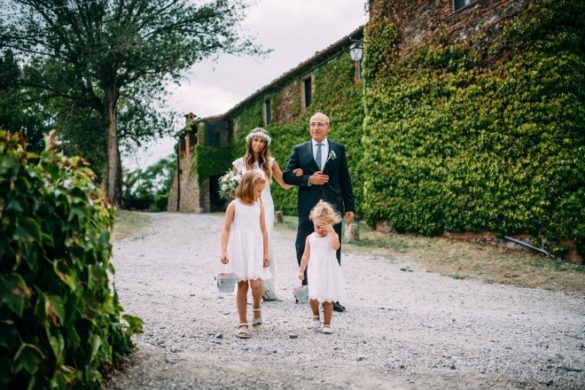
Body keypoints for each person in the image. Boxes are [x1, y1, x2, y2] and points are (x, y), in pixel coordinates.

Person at [283, 112, 355, 313]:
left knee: (333, 248)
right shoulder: (299, 150)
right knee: (302, 245)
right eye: (313, 124)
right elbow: (287, 176)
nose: (316, 127)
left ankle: (332, 297)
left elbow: (345, 179)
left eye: (320, 124)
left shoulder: (338, 149)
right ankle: (306, 289)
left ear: (328, 127)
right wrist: (307, 179)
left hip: (332, 208)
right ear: (309, 127)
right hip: (308, 207)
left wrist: (350, 207)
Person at [232, 128, 300, 301]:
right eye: (255, 140)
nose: (258, 144)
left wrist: (298, 177)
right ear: (250, 142)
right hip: (245, 207)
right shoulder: (238, 164)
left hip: (265, 206)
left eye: (262, 141)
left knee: (265, 243)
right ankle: (245, 290)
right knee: (245, 242)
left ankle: (267, 289)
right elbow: (232, 190)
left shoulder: (270, 162)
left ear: (265, 144)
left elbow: (284, 183)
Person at [219, 170, 271, 339]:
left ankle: (256, 306)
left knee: (256, 285)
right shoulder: (234, 206)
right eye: (258, 190)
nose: (260, 194)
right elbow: (226, 229)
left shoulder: (259, 206)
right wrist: (224, 250)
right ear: (248, 187)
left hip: (255, 248)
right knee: (242, 285)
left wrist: (265, 253)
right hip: (239, 248)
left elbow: (264, 231)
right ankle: (243, 322)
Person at [298, 201, 345, 334]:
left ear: (330, 223)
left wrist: (331, 231)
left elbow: (336, 246)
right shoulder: (310, 238)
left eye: (324, 226)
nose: (320, 230)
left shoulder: (332, 236)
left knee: (327, 299)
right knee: (313, 297)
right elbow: (305, 256)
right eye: (317, 226)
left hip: (328, 272)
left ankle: (327, 323)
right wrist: (301, 270)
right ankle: (315, 316)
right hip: (315, 272)